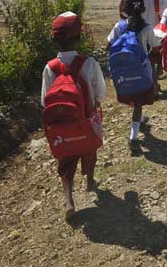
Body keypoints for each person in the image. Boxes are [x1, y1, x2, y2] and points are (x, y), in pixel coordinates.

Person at [41, 12, 106, 221]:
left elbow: (44, 101)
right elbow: (101, 94)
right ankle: (89, 180)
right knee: (89, 148)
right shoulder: (89, 63)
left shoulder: (49, 68)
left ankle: (68, 200)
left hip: (61, 126)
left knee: (65, 162)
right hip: (85, 122)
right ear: (79, 37)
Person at [107, 0, 160, 154]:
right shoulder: (147, 28)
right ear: (142, 9)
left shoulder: (119, 26)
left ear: (124, 10)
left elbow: (108, 46)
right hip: (142, 70)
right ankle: (133, 138)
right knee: (138, 102)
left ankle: (141, 120)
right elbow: (156, 48)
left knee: (134, 98)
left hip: (123, 71)